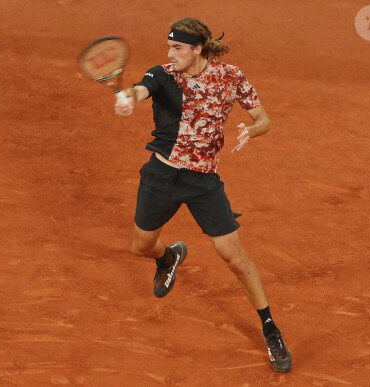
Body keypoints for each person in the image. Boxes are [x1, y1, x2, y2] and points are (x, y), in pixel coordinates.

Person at [114, 17, 292, 373]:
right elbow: (140, 89)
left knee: (236, 258)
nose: (170, 53)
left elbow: (264, 118)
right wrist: (128, 98)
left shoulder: (231, 76)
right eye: (169, 46)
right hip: (162, 175)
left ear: (198, 49)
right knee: (141, 247)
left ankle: (270, 328)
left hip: (203, 182)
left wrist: (251, 131)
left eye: (177, 47)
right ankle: (168, 258)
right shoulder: (162, 74)